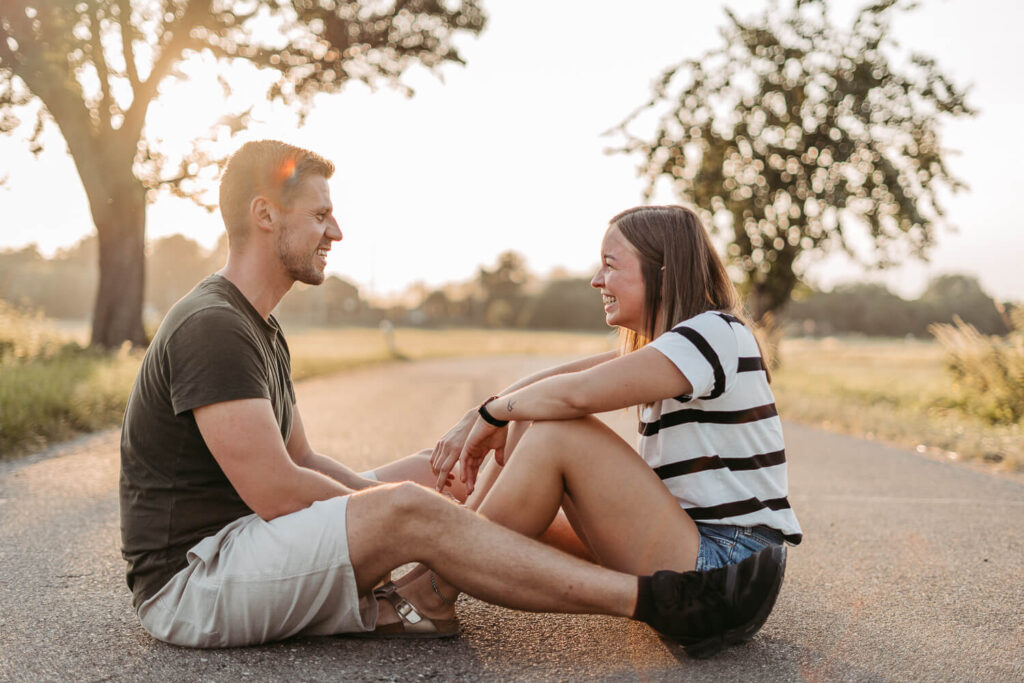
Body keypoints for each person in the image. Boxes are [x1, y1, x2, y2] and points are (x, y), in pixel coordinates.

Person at [118, 140, 787, 657]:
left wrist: (448, 490)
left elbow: (305, 461)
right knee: (421, 501)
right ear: (265, 215)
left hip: (243, 547)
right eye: (322, 215)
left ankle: (425, 578)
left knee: (423, 482)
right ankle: (649, 599)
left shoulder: (255, 326)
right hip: (195, 582)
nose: (338, 232)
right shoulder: (214, 325)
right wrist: (429, 519)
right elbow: (278, 491)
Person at [365, 205, 801, 656]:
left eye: (610, 266)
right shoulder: (678, 345)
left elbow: (573, 396)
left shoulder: (712, 334)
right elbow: (554, 384)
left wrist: (493, 413)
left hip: (728, 568)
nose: (597, 281)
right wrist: (482, 415)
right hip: (701, 556)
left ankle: (430, 595)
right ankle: (420, 583)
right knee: (534, 419)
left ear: (664, 275)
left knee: (559, 433)